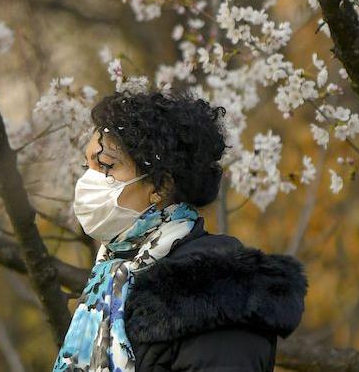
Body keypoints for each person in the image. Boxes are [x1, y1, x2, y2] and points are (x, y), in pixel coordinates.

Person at [53, 88, 307, 372]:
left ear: (160, 187)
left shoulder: (218, 295)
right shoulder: (111, 280)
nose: (89, 180)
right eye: (87, 165)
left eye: (106, 166)